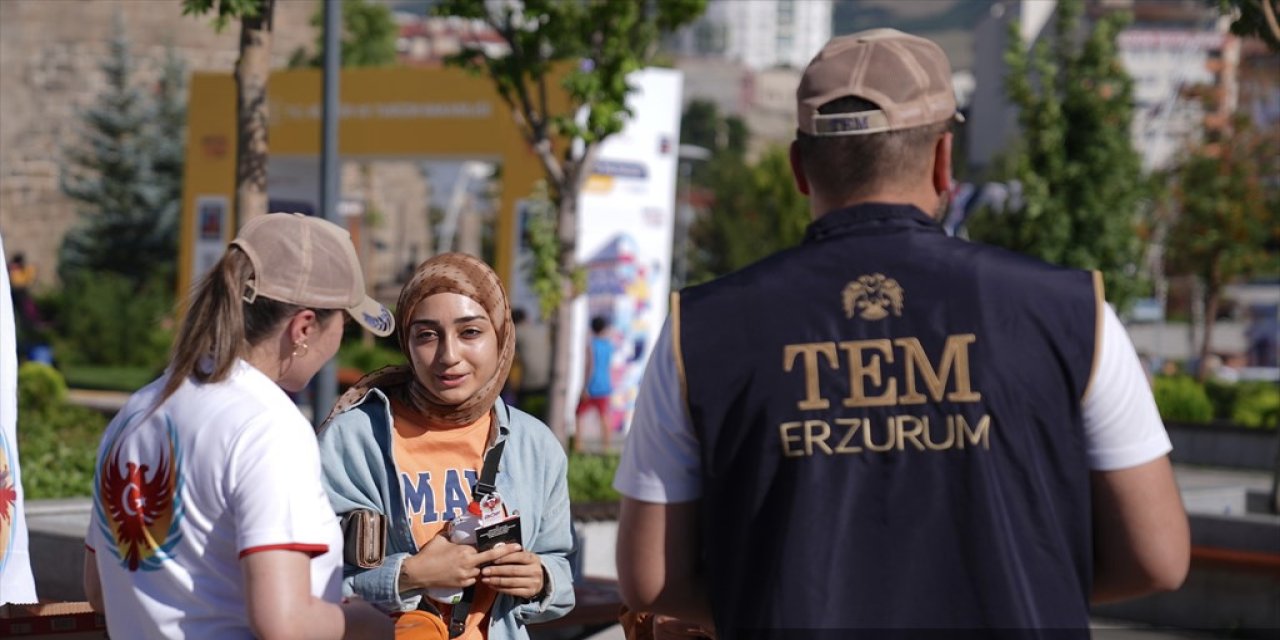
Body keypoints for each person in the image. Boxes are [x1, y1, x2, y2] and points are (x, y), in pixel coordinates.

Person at [614, 29, 1189, 637]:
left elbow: (650, 579)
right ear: (944, 161)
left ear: (798, 168)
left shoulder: (700, 329)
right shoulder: (1076, 312)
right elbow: (1157, 558)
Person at [82, 213, 396, 639]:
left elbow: (100, 590)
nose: (342, 339)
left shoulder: (135, 412)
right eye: (344, 321)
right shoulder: (268, 427)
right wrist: (370, 625)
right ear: (303, 327)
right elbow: (285, 624)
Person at [316, 252, 574, 639]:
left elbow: (561, 571)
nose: (449, 356)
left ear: (501, 334)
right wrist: (408, 575)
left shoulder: (535, 446)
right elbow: (311, 579)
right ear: (406, 340)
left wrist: (540, 578)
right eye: (427, 335)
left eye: (470, 332)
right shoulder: (355, 440)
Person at [575, 315, 614, 453]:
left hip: (592, 385)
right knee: (604, 416)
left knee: (579, 414)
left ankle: (578, 447)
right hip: (605, 385)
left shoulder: (591, 345)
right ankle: (606, 447)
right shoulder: (609, 345)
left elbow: (589, 366)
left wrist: (585, 386)